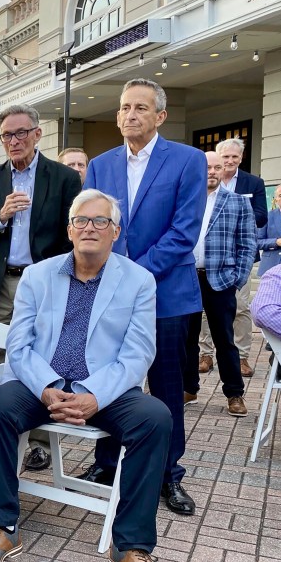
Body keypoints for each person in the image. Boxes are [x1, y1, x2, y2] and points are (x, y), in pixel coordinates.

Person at [0, 189, 178, 562]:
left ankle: (131, 547)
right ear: (69, 229)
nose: (90, 228)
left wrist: (93, 396)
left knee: (155, 417)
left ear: (115, 231)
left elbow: (138, 354)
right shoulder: (38, 275)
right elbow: (20, 346)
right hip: (41, 385)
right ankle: (4, 526)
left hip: (105, 390)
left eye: (100, 221)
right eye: (81, 220)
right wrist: (47, 389)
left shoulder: (138, 280)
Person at [85, 78, 206, 516]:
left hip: (167, 295)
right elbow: (96, 225)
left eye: (140, 107)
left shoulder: (188, 160)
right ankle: (105, 463)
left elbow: (185, 230)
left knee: (165, 387)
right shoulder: (101, 165)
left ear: (160, 116)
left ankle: (169, 474)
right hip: (112, 294)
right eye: (123, 107)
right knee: (109, 379)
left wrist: (133, 273)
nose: (129, 115)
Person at [0, 105, 81, 472]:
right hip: (0, 282)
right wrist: (1, 216)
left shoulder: (63, 177)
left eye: (21, 133)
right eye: (6, 136)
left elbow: (73, 236)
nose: (13, 141)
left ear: (37, 134)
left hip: (43, 284)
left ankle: (36, 443)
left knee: (41, 359)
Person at [182, 152, 255, 417]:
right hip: (186, 278)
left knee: (225, 339)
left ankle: (234, 393)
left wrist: (239, 277)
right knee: (187, 338)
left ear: (224, 169)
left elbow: (248, 244)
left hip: (221, 280)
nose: (211, 171)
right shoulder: (185, 200)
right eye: (206, 167)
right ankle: (189, 388)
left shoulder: (237, 203)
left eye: (216, 167)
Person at [198, 137, 267, 377]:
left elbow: (259, 218)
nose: (228, 162)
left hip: (231, 266)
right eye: (223, 158)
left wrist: (238, 276)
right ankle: (204, 354)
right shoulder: (192, 193)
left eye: (233, 157)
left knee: (239, 310)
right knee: (203, 316)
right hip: (198, 269)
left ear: (240, 158)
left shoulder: (252, 183)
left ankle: (242, 358)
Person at [256, 183, 281, 275]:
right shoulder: (267, 216)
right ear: (276, 200)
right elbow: (257, 242)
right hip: (272, 268)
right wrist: (276, 242)